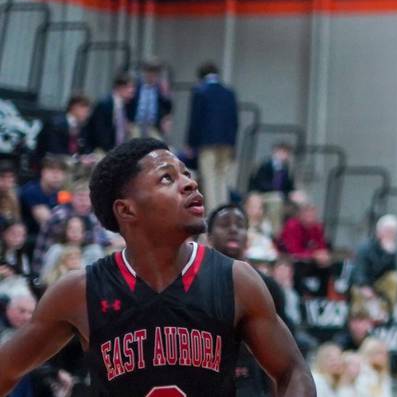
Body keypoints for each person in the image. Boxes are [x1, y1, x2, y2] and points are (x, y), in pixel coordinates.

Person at [0, 137, 315, 397]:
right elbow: (7, 370)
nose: (190, 183)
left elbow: (292, 371)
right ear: (127, 210)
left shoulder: (237, 281)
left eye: (186, 173)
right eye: (168, 178)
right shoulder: (79, 291)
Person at [210, 203, 295, 397]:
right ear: (209, 236)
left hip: (253, 382)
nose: (233, 229)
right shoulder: (195, 282)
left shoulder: (268, 287)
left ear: (247, 238)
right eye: (224, 224)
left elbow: (284, 353)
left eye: (240, 225)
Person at [187, 63, 240, 206]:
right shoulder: (229, 92)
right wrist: (233, 144)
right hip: (227, 142)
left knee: (209, 177)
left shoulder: (200, 92)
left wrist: (191, 143)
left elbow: (195, 120)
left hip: (207, 142)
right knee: (222, 178)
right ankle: (223, 208)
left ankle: (213, 213)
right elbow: (235, 121)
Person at [349, 215, 397, 319]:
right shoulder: (366, 247)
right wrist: (364, 286)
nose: (390, 235)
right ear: (379, 231)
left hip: (379, 284)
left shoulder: (391, 250)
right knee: (359, 294)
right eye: (388, 231)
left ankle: (388, 312)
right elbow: (359, 270)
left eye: (393, 232)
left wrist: (389, 254)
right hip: (362, 284)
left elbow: (392, 272)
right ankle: (360, 318)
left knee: (396, 278)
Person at [277, 199, 333, 294]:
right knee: (297, 268)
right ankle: (300, 297)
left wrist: (324, 256)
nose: (310, 218)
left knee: (326, 267)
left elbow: (321, 247)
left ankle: (321, 298)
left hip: (310, 261)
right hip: (289, 260)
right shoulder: (292, 226)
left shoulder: (317, 227)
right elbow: (294, 252)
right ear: (301, 215)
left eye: (313, 215)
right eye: (308, 215)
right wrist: (314, 255)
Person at [85, 76, 136, 154]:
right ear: (121, 88)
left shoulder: (124, 105)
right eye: (130, 92)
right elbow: (99, 131)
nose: (132, 95)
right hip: (99, 149)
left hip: (115, 149)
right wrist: (110, 151)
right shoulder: (105, 104)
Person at [18, 158, 67, 237]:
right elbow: (46, 222)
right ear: (43, 173)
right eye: (53, 171)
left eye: (60, 172)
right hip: (29, 237)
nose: (57, 176)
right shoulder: (31, 191)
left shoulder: (61, 194)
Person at [34, 97, 92, 162]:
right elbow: (54, 150)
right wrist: (77, 158)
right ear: (74, 107)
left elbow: (85, 147)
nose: (87, 114)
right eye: (85, 111)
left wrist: (86, 156)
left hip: (70, 165)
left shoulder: (82, 126)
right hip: (49, 164)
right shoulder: (55, 124)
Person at [127, 61, 173, 141]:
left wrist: (166, 119)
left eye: (154, 74)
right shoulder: (137, 87)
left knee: (157, 144)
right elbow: (128, 103)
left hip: (154, 125)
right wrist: (128, 120)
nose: (151, 76)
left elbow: (168, 107)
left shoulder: (161, 89)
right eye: (149, 73)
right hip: (136, 124)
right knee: (133, 144)